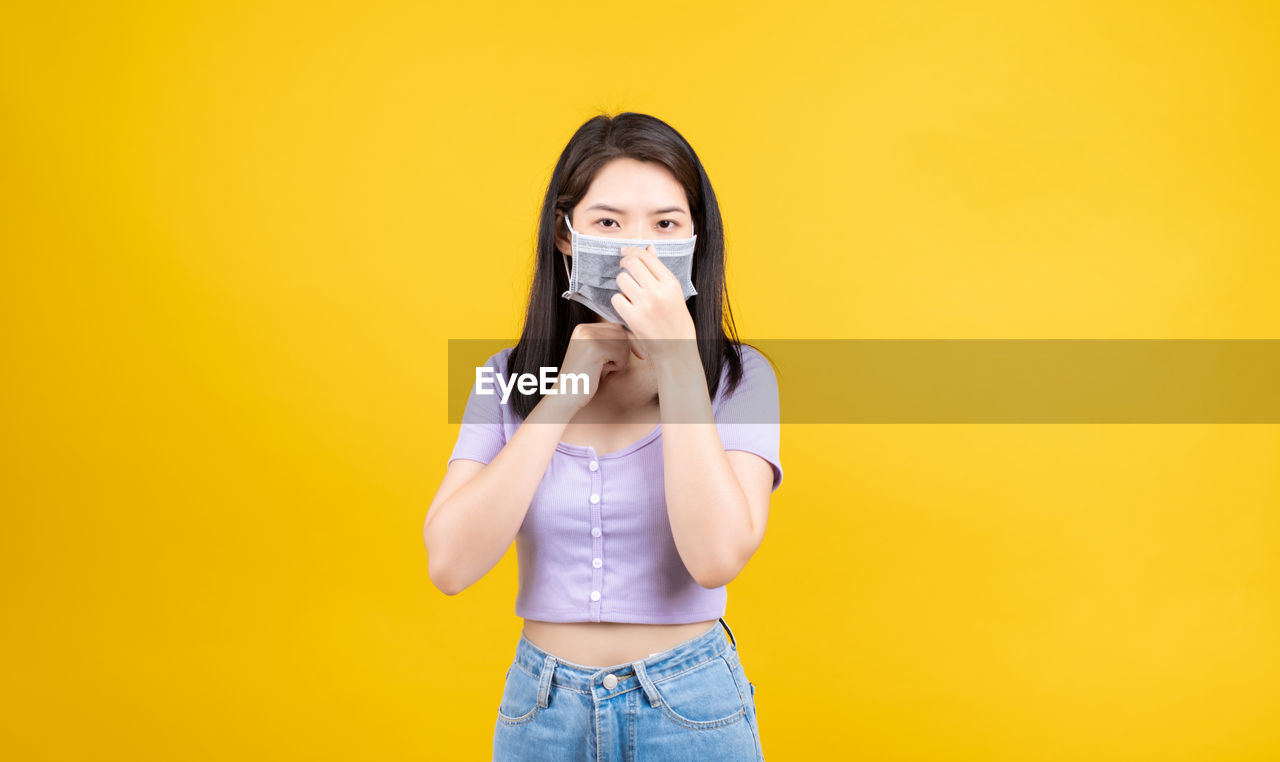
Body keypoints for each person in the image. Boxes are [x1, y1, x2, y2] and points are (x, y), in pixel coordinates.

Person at [423, 112, 783, 761]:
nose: (638, 250)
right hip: (543, 710)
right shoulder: (505, 377)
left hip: (689, 706)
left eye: (666, 224)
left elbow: (716, 557)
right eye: (609, 223)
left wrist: (676, 361)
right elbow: (449, 564)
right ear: (566, 236)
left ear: (696, 239)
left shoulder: (738, 377)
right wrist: (562, 394)